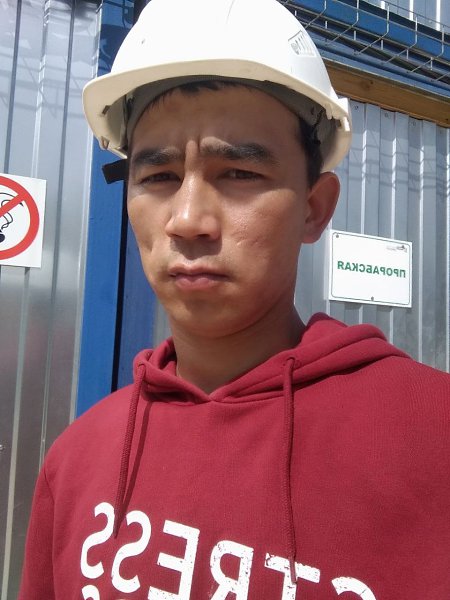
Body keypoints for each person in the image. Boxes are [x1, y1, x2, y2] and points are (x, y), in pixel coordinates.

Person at [19, 0, 450, 598]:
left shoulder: (431, 439)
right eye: (158, 177)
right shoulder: (76, 461)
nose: (188, 220)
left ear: (314, 208)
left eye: (239, 174)